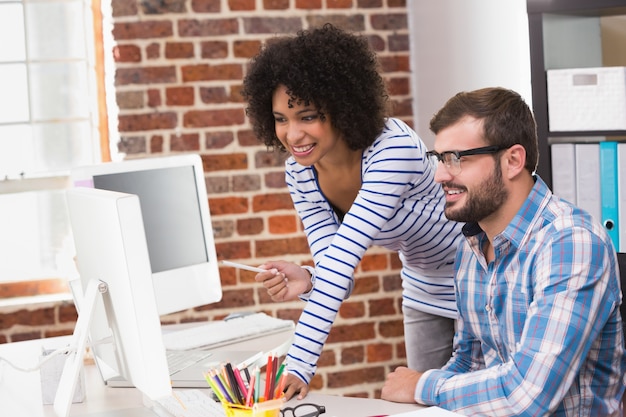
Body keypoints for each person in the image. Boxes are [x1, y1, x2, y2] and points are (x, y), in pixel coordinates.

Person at [240, 23, 465, 400]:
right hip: (422, 287)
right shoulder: (301, 172)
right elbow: (335, 272)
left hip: (481, 281)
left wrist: (298, 365)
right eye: (281, 119)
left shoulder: (391, 149)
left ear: (342, 106)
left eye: (307, 116)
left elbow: (344, 259)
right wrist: (310, 279)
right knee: (427, 408)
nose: (293, 135)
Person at [381, 87, 626, 416]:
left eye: (455, 158)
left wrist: (422, 385)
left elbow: (529, 396)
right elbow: (470, 361)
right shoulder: (471, 249)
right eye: (438, 158)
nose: (440, 175)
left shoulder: (570, 243)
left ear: (512, 161)